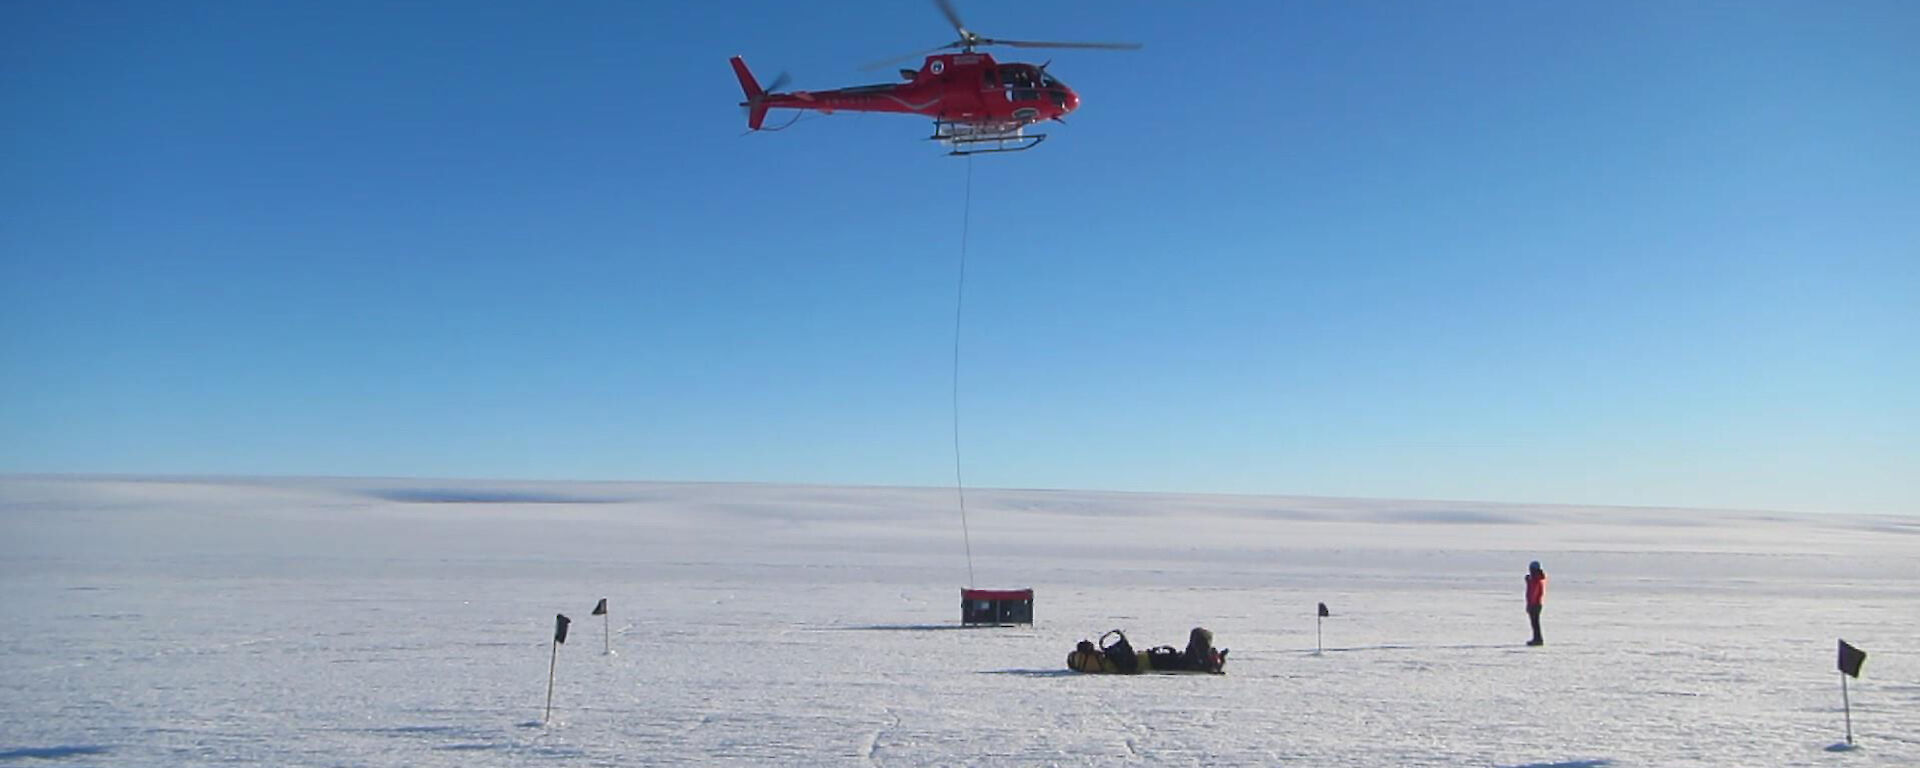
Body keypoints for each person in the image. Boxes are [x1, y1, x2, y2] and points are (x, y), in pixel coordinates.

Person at [1525, 560, 1548, 646]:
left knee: (1535, 623)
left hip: (1535, 604)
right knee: (1535, 623)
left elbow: (1534, 593)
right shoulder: (1534, 579)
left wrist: (1531, 604)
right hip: (1535, 604)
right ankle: (1536, 638)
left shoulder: (1536, 579)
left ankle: (1538, 640)